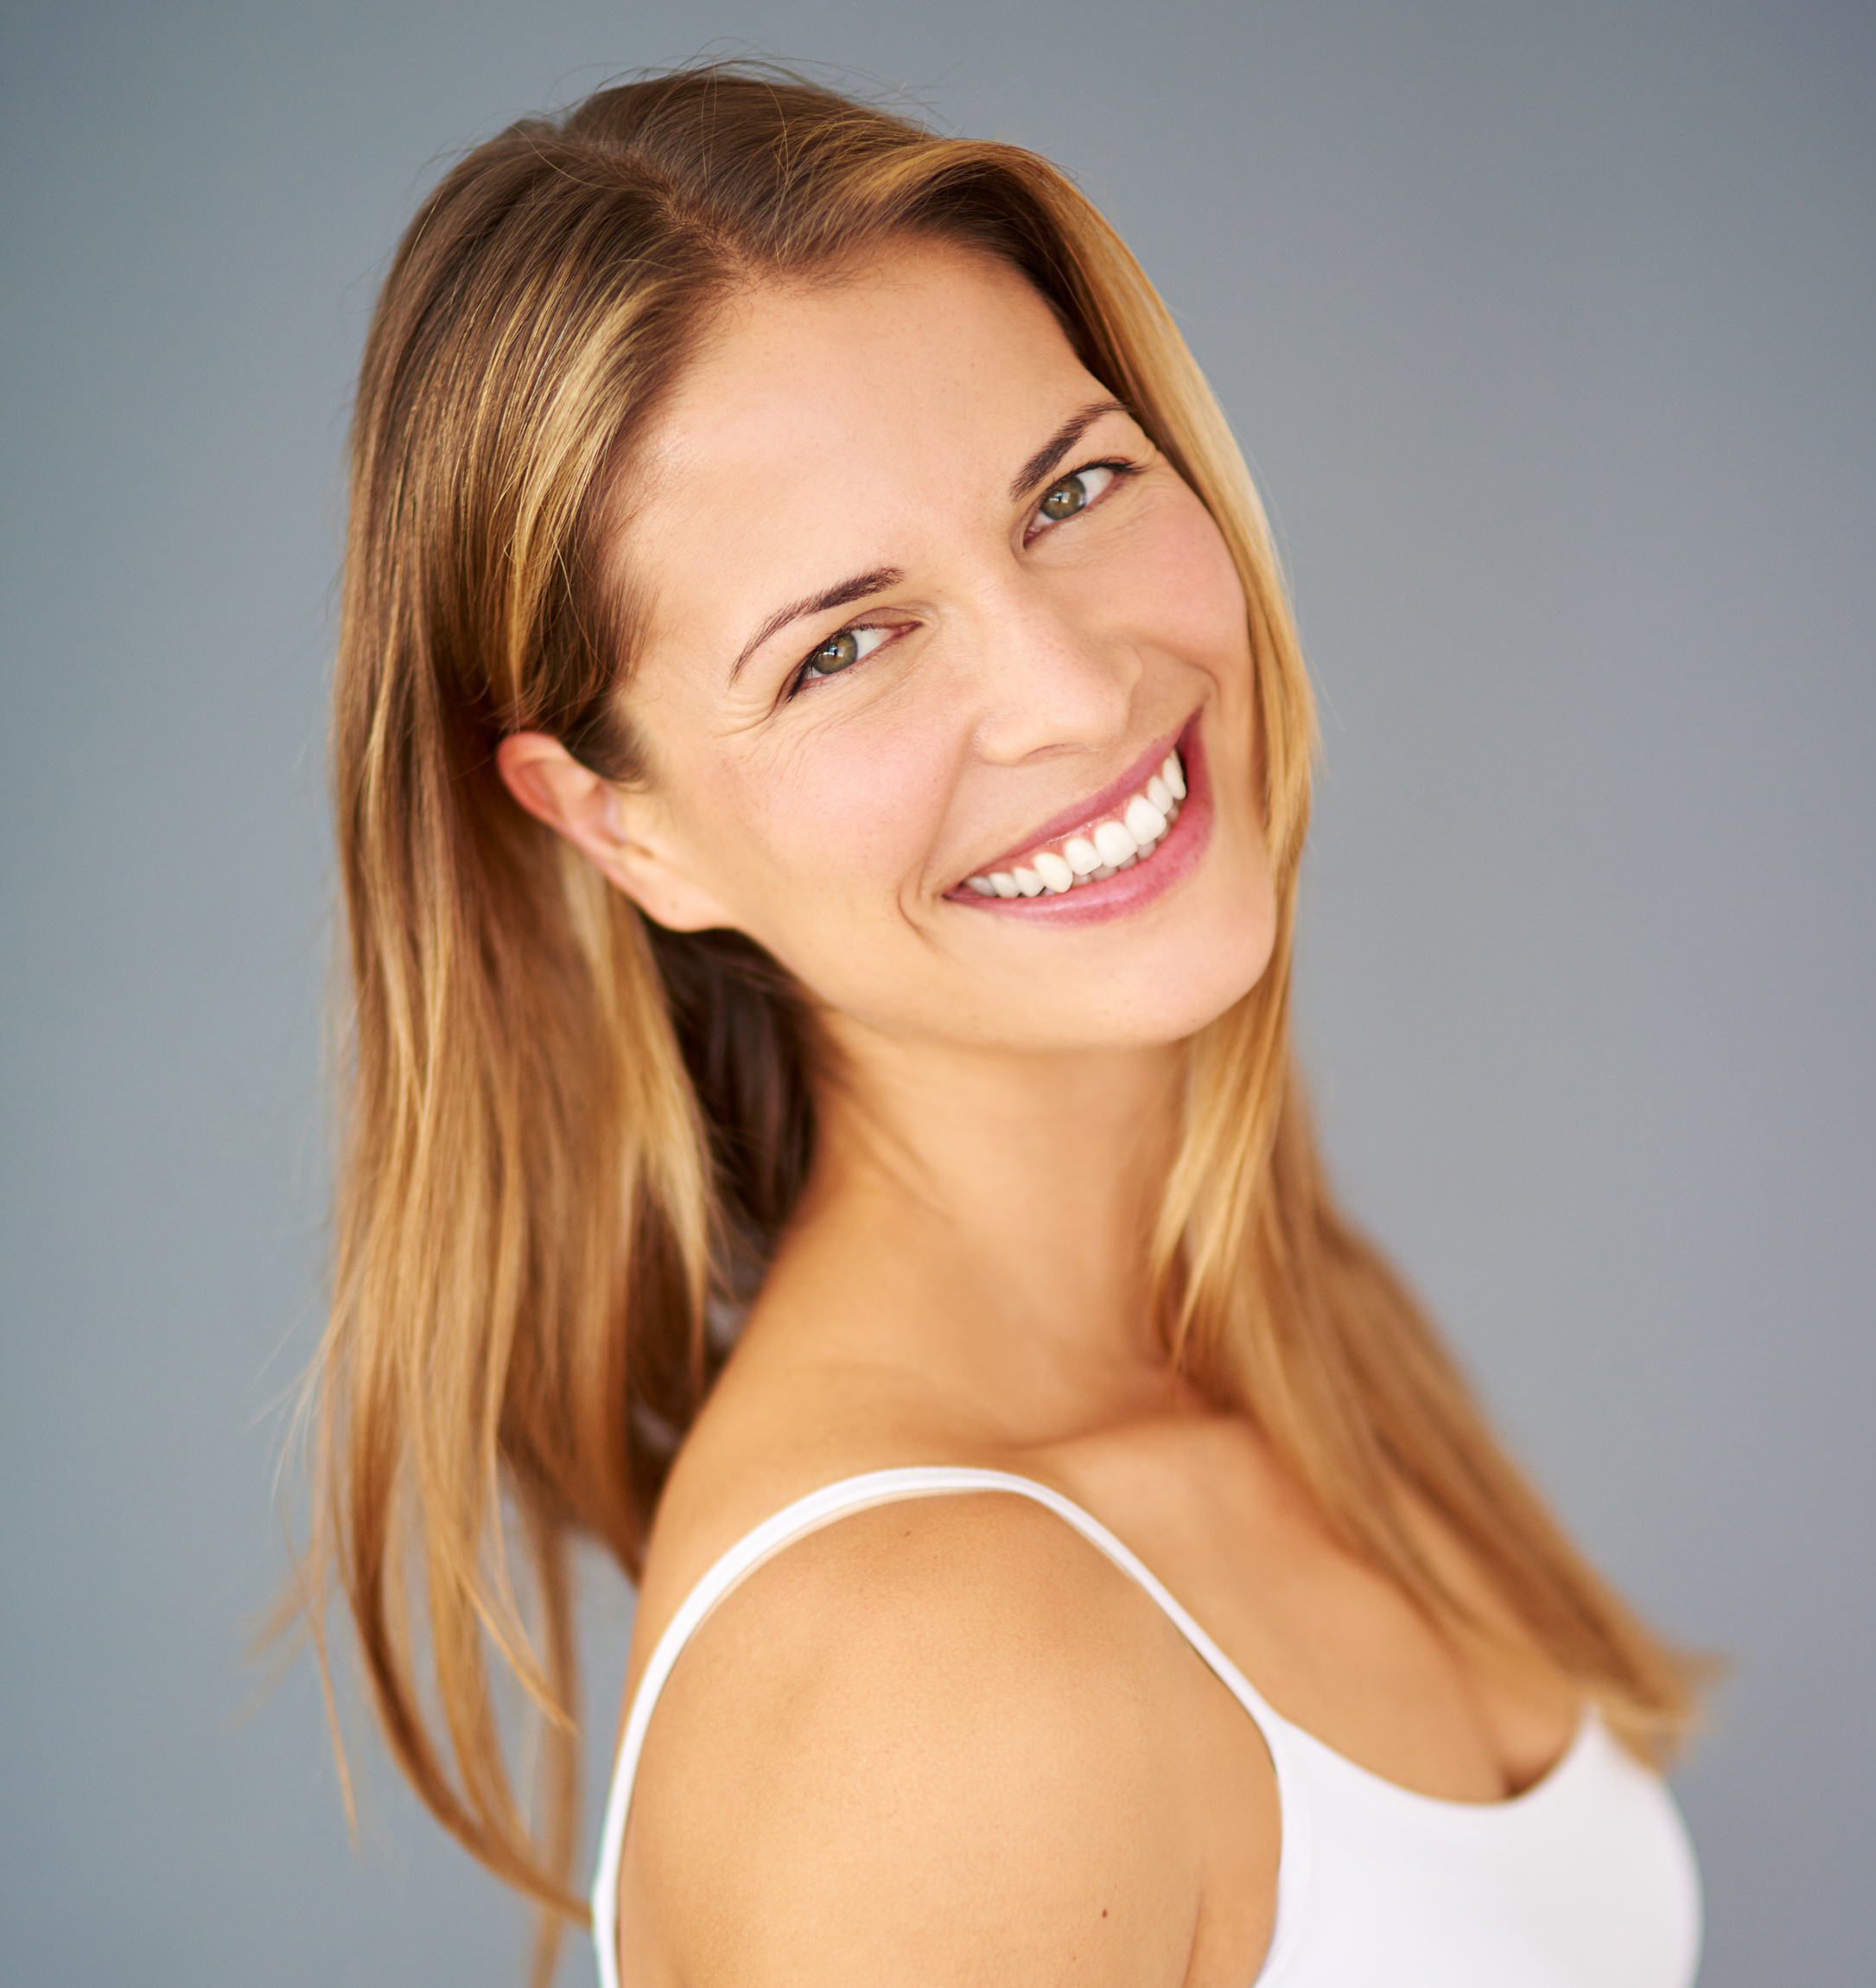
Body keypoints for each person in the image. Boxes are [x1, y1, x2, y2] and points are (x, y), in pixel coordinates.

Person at [306, 61, 1703, 1988]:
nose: (1068, 684)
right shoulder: (929, 1666)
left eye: (1071, 488)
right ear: (615, 823)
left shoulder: (1283, 1345)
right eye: (844, 646)